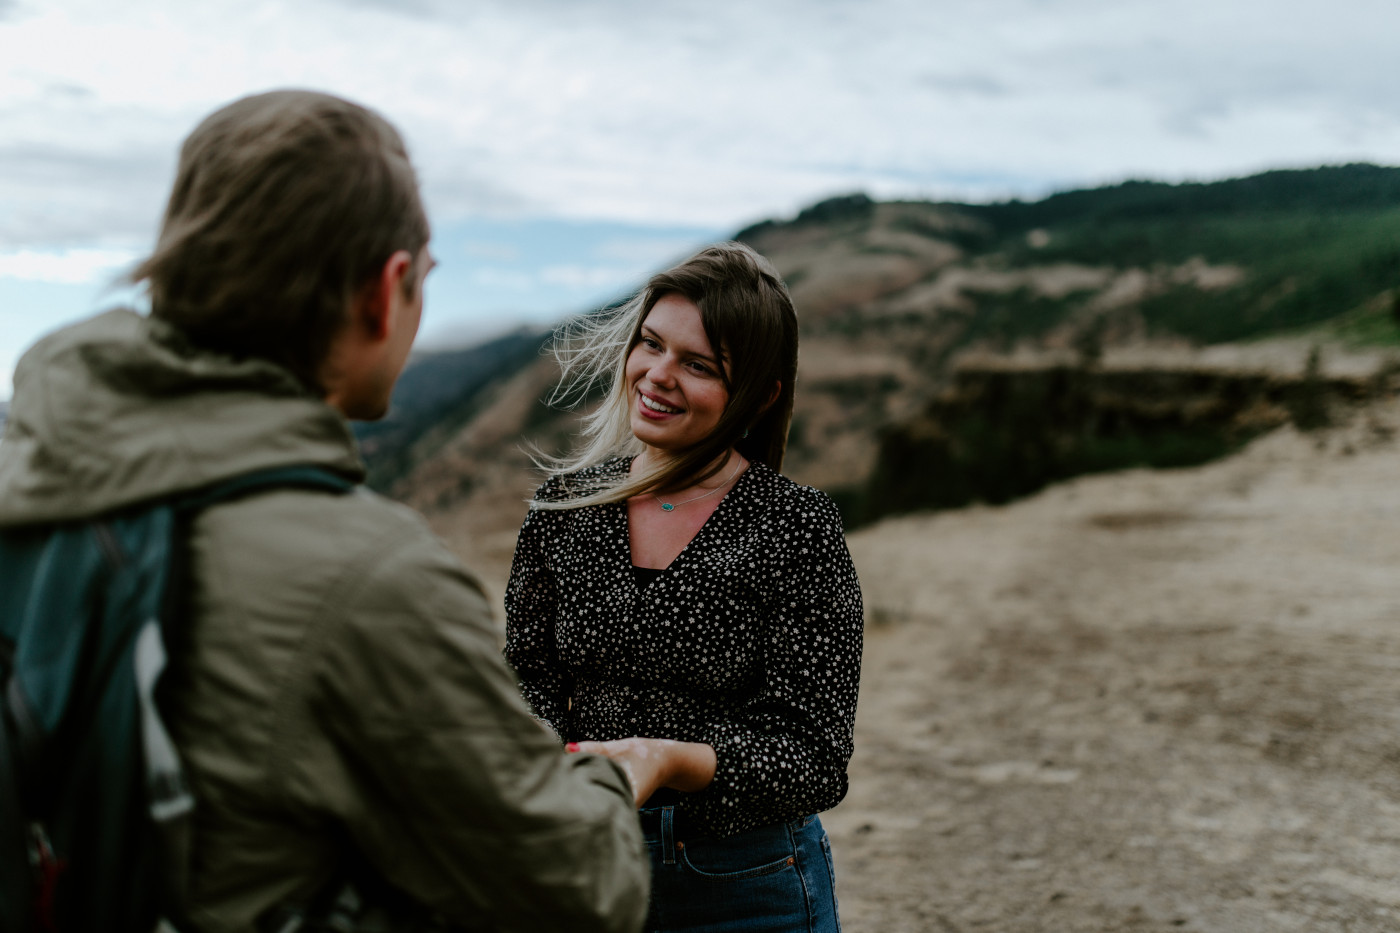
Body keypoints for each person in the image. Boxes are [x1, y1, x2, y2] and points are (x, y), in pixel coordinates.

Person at [0, 90, 648, 933]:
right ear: (387, 291)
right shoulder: (369, 578)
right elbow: (580, 892)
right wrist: (615, 776)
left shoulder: (26, 470)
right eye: (424, 278)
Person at [504, 242, 863, 932]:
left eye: (698, 365)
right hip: (582, 863)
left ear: (759, 395)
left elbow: (814, 759)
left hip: (745, 880)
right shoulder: (563, 510)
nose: (657, 375)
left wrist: (665, 759)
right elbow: (527, 680)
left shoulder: (796, 526)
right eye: (651, 344)